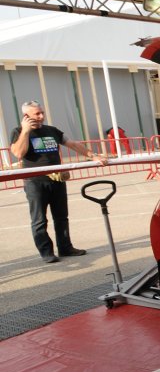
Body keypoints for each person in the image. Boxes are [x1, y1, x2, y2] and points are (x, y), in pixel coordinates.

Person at [10, 101, 107, 263]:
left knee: (62, 216)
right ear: (26, 116)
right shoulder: (18, 131)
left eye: (42, 112)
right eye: (37, 114)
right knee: (39, 219)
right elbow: (19, 153)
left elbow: (73, 144)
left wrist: (93, 156)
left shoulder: (52, 130)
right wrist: (26, 131)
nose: (41, 116)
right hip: (35, 182)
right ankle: (47, 252)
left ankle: (65, 247)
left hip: (57, 180)